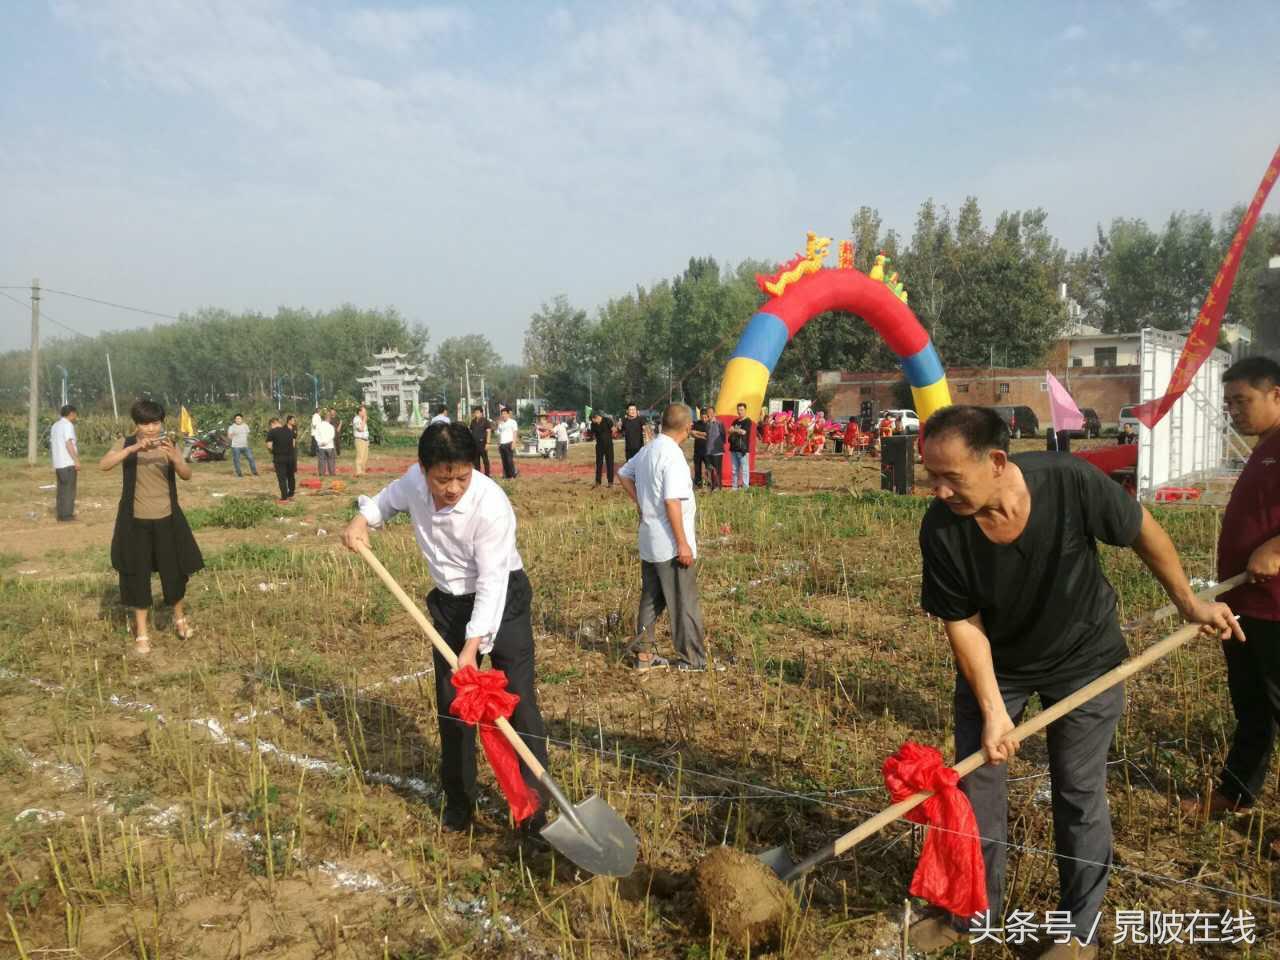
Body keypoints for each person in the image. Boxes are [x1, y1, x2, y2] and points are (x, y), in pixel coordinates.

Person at [910, 405, 1239, 958]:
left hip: (1085, 658)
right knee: (977, 791)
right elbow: (963, 624)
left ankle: (1077, 932)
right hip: (1000, 666)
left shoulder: (1068, 480)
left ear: (995, 462)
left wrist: (1188, 602)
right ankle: (971, 911)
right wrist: (994, 710)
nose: (939, 491)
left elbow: (1142, 532)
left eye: (951, 477)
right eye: (930, 477)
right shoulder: (942, 529)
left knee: (1079, 792)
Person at [343, 422, 550, 833]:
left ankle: (533, 812)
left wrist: (473, 647)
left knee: (519, 702)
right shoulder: (413, 484)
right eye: (443, 478)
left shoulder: (490, 505)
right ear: (424, 470)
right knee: (454, 707)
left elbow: (492, 583)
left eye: (462, 476)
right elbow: (385, 501)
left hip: (503, 601)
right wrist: (362, 520)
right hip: (449, 606)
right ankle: (459, 803)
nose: (453, 487)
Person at [1180, 357, 1280, 834]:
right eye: (1229, 404)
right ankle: (1236, 794)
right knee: (1251, 707)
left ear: (1277, 394)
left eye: (1244, 401)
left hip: (1277, 610)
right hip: (1243, 608)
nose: (1234, 411)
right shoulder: (1265, 448)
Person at [100, 399, 205, 656]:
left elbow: (186, 474)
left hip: (167, 518)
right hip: (135, 521)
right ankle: (142, 633)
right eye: (145, 423)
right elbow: (104, 465)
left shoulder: (169, 444)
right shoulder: (126, 443)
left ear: (161, 423)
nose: (150, 428)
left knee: (174, 571)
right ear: (136, 424)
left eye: (155, 423)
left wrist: (175, 458)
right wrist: (134, 448)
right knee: (137, 575)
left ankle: (180, 620)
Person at [617, 404, 707, 671]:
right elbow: (672, 501)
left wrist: (642, 504)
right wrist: (682, 543)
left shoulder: (649, 449)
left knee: (651, 599)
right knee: (683, 602)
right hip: (669, 543)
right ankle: (692, 659)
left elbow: (623, 474)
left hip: (649, 540)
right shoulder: (673, 456)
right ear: (688, 427)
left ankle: (644, 657)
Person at [50, 404, 80, 521]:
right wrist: (76, 460)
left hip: (58, 463)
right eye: (75, 414)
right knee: (69, 490)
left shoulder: (55, 425)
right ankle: (67, 515)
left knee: (61, 490)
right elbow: (68, 443)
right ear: (71, 414)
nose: (76, 417)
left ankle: (61, 514)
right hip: (67, 462)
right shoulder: (68, 425)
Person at [267, 416, 297, 502]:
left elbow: (269, 446)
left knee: (282, 478)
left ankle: (284, 497)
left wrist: (273, 452)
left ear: (273, 423)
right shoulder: (289, 430)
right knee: (291, 476)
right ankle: (291, 494)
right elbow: (293, 444)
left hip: (279, 458)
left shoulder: (272, 432)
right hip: (291, 457)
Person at [728, 402, 752, 490]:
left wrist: (734, 429)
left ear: (745, 410)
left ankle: (746, 488)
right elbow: (729, 430)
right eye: (738, 410)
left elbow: (744, 432)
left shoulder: (748, 421)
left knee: (745, 469)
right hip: (734, 448)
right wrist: (733, 430)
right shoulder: (735, 421)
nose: (739, 412)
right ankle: (734, 487)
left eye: (741, 410)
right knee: (734, 470)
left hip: (743, 449)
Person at [227, 413, 259, 478]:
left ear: (242, 419)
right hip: (236, 446)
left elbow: (247, 434)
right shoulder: (231, 427)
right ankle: (239, 474)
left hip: (245, 446)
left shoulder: (245, 426)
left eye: (239, 418)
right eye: (236, 419)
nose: (238, 420)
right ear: (234, 420)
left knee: (251, 458)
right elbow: (229, 437)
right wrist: (233, 434)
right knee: (237, 460)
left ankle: (254, 472)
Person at [591, 411, 615, 487]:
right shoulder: (593, 424)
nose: (592, 422)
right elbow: (593, 434)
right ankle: (598, 481)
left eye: (593, 420)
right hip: (599, 446)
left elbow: (613, 429)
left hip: (609, 445)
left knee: (610, 463)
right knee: (599, 463)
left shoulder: (607, 420)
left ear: (597, 417)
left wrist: (614, 430)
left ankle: (610, 482)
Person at [703, 405, 724, 491]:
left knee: (718, 470)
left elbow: (723, 435)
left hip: (717, 451)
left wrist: (719, 446)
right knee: (710, 469)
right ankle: (712, 486)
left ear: (714, 413)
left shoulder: (719, 423)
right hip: (708, 451)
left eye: (711, 412)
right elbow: (706, 436)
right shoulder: (707, 424)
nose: (709, 414)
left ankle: (719, 487)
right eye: (708, 413)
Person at [495, 406, 519, 479]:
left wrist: (514, 442)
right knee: (504, 461)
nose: (503, 415)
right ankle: (506, 475)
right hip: (502, 444)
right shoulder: (501, 423)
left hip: (509, 443)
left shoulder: (512, 422)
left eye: (505, 414)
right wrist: (498, 444)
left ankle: (512, 475)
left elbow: (515, 432)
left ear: (508, 414)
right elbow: (498, 434)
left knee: (509, 460)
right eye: (502, 414)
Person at [469, 407, 491, 476]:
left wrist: (488, 443)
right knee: (476, 461)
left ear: (481, 413)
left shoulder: (485, 421)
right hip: (474, 444)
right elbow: (471, 431)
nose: (476, 414)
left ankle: (487, 474)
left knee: (485, 460)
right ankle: (478, 475)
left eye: (478, 412)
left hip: (483, 443)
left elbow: (489, 432)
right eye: (475, 412)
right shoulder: (473, 421)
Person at [690, 408, 709, 487]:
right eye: (702, 417)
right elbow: (692, 433)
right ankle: (698, 483)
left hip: (707, 450)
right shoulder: (697, 423)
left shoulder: (709, 424)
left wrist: (697, 433)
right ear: (700, 416)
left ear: (708, 417)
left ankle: (709, 482)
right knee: (697, 468)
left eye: (705, 417)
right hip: (697, 450)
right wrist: (702, 435)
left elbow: (707, 434)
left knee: (708, 467)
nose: (704, 419)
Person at [353, 405, 370, 477]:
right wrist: (364, 420)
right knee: (360, 456)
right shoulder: (356, 419)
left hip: (365, 440)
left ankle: (363, 471)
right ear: (359, 412)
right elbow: (361, 429)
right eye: (364, 411)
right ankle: (358, 471)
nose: (365, 413)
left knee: (365, 456)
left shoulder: (362, 419)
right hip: (359, 440)